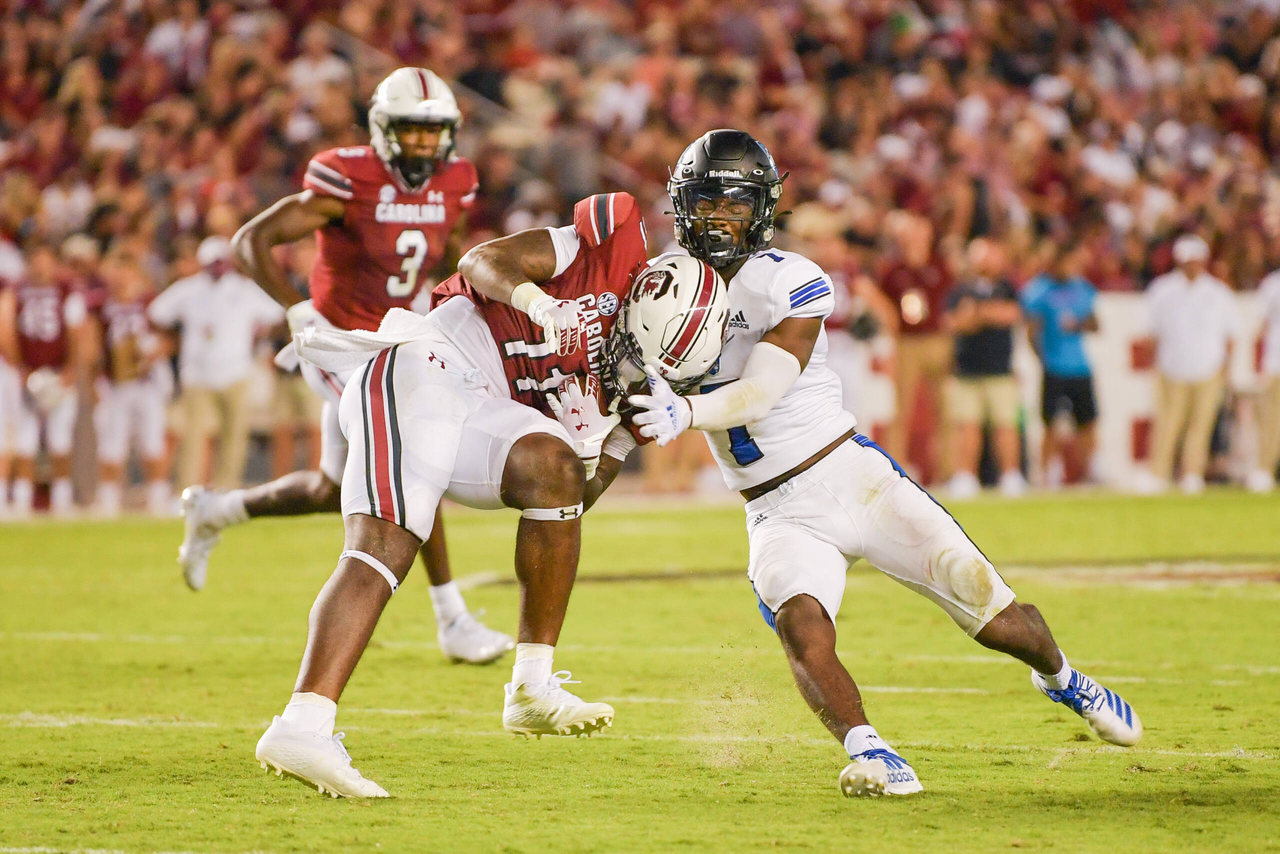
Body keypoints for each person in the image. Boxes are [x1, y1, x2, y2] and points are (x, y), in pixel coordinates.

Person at [629, 130, 1141, 799]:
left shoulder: (790, 279)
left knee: (995, 613)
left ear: (761, 209)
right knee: (799, 622)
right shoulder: (659, 286)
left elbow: (763, 388)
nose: (718, 218)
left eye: (734, 203)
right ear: (681, 205)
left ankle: (1062, 676)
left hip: (852, 476)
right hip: (776, 508)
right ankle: (870, 750)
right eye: (706, 202)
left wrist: (687, 413)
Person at [252, 193, 729, 798]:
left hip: (481, 411)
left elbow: (572, 501)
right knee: (385, 546)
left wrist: (603, 447)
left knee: (554, 468)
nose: (637, 371)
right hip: (421, 370)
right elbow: (480, 260)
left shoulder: (635, 389)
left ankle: (532, 687)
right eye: (640, 352)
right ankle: (303, 725)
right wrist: (537, 301)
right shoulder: (612, 241)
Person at [177, 67, 512, 666]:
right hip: (338, 339)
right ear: (384, 131)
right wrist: (295, 306)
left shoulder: (456, 180)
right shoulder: (348, 178)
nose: (422, 148)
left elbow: (452, 252)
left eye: (433, 135)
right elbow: (252, 239)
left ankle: (216, 509)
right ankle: (451, 617)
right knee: (415, 442)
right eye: (410, 133)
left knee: (332, 487)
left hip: (399, 333)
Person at [147, 236, 284, 495]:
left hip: (235, 371)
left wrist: (257, 335)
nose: (217, 268)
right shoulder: (189, 289)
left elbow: (276, 314)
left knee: (234, 438)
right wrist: (175, 338)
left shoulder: (244, 290)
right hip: (197, 373)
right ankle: (187, 492)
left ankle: (226, 490)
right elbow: (157, 312)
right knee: (193, 438)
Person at [1138, 235, 1239, 495]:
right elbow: (1151, 333)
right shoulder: (1162, 290)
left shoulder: (1218, 292)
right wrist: (1155, 365)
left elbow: (1229, 336)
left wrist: (1226, 370)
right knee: (1167, 424)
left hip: (1208, 368)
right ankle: (1158, 474)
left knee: (1200, 425)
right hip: (1171, 367)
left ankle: (1192, 473)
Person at [0, 241, 94, 516]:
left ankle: (62, 497)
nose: (41, 267)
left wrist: (71, 370)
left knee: (60, 439)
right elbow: (7, 329)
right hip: (29, 375)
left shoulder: (67, 291)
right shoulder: (16, 291)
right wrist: (19, 368)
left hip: (58, 373)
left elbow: (78, 332)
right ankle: (22, 497)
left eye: (46, 260)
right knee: (25, 439)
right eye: (37, 260)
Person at [942, 238, 1026, 498]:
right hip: (968, 369)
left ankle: (1011, 475)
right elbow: (953, 323)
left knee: (1006, 425)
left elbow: (1012, 314)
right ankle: (965, 475)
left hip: (1000, 369)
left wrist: (977, 314)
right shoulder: (960, 289)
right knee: (968, 427)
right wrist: (986, 315)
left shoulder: (1006, 287)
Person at [90, 250, 173, 516]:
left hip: (146, 382)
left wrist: (151, 353)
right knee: (111, 442)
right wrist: (94, 379)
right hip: (114, 382)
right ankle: (109, 497)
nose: (121, 278)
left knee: (152, 441)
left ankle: (158, 494)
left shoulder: (151, 303)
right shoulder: (100, 304)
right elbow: (91, 344)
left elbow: (169, 339)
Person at [1021, 242, 1100, 489]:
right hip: (1054, 367)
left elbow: (1095, 324)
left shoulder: (1082, 288)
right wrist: (1044, 360)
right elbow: (1031, 331)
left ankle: (1090, 471)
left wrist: (1077, 325)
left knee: (1087, 421)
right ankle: (1047, 474)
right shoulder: (1038, 291)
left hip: (1080, 366)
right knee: (1050, 423)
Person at [1248, 266, 1280, 492]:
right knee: (1271, 422)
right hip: (1276, 364)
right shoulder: (1273, 284)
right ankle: (1264, 470)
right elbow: (1259, 327)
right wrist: (1259, 367)